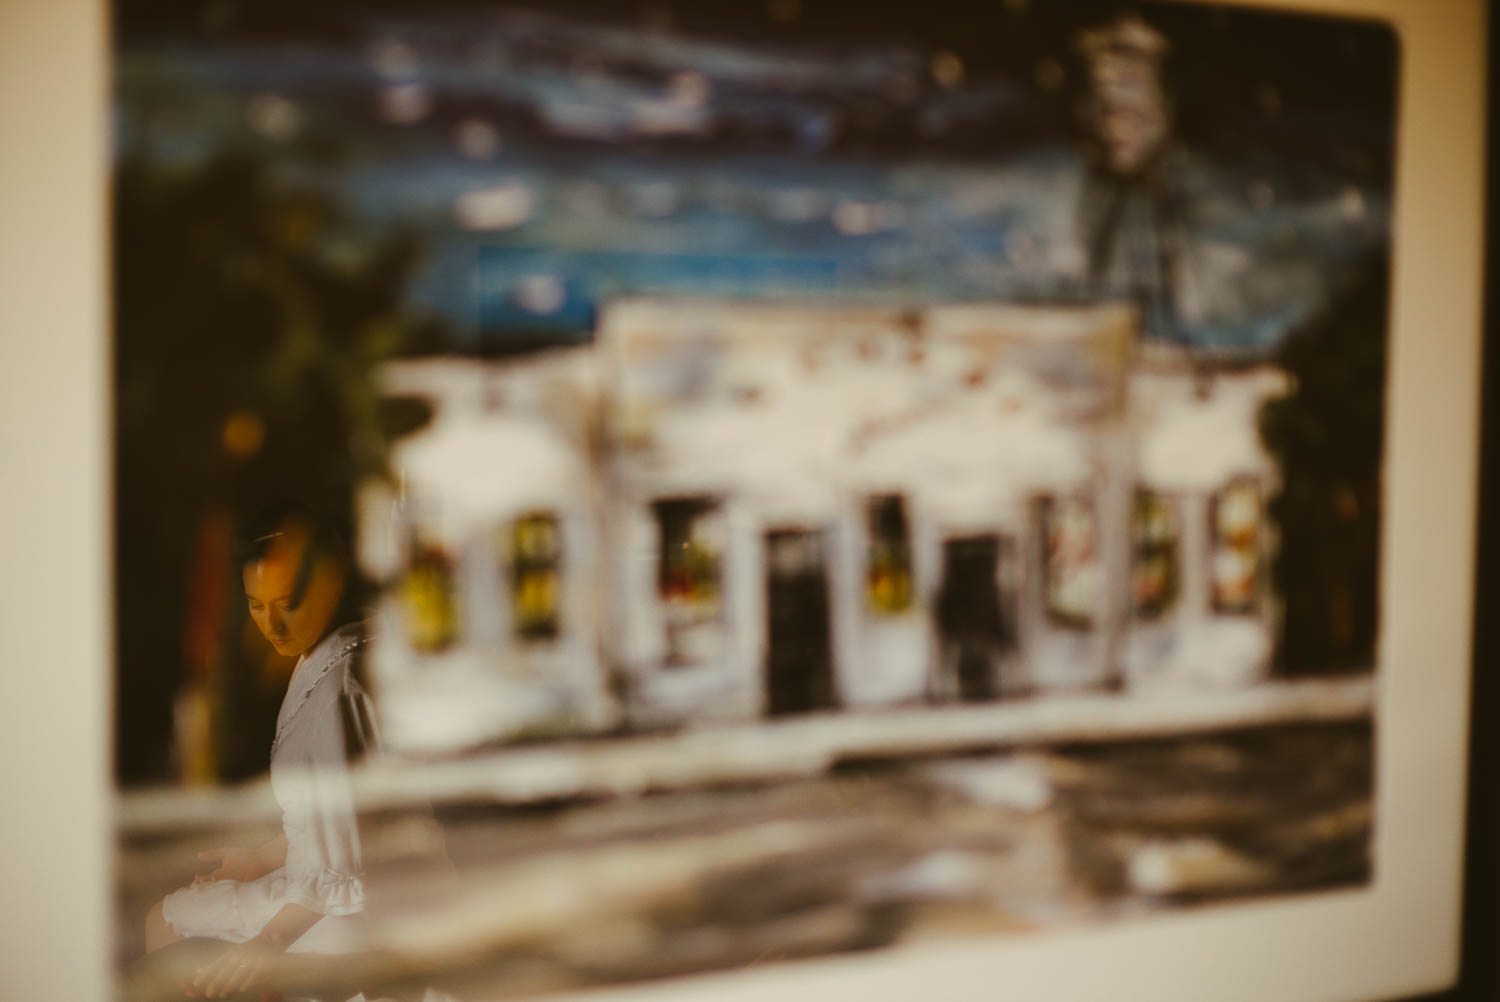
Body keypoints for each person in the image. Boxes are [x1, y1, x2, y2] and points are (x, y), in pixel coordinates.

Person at [143, 502, 379, 1000]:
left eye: (287, 602)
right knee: (168, 914)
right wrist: (259, 860)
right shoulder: (326, 652)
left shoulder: (337, 691)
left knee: (167, 921)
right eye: (255, 604)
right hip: (320, 887)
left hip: (343, 914)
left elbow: (346, 868)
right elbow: (331, 825)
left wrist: (264, 944)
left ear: (328, 584)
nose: (270, 625)